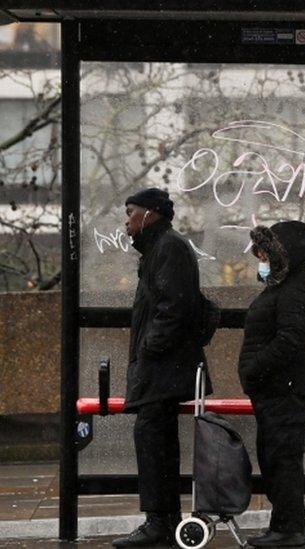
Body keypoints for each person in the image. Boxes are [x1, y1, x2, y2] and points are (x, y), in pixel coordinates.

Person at [113, 188, 209, 548]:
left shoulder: (168, 247)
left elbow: (173, 308)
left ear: (150, 214)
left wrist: (150, 349)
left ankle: (159, 523)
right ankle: (164, 520)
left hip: (163, 370)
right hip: (162, 369)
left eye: (131, 212)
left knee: (152, 440)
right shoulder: (160, 248)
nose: (127, 221)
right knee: (157, 441)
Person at [238, 221, 305, 547]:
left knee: (282, 459)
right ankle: (286, 524)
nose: (260, 261)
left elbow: (291, 338)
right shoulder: (286, 285)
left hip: (286, 389)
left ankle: (289, 528)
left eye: (264, 254)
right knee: (275, 457)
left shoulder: (294, 288)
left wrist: (254, 370)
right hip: (278, 389)